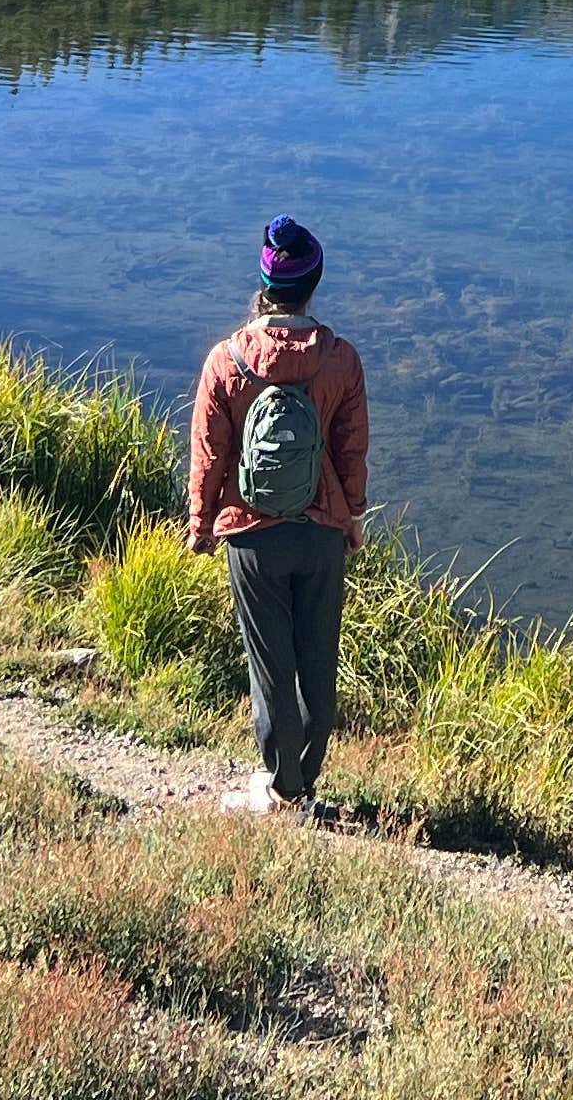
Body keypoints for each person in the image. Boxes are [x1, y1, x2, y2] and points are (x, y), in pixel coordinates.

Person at [185, 214, 369, 816]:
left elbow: (210, 454)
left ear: (263, 285)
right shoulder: (341, 360)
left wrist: (200, 525)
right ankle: (303, 783)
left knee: (270, 668)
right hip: (320, 531)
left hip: (251, 533)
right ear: (313, 285)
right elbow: (350, 450)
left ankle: (282, 786)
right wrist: (352, 519)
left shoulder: (226, 360)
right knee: (318, 661)